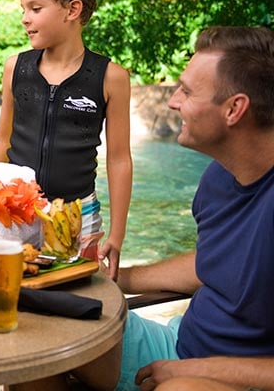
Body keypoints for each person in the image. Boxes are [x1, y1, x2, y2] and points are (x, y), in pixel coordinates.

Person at [20, 26, 274, 391]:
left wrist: (203, 372)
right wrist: (113, 278)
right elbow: (216, 262)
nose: (173, 102)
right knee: (38, 319)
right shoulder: (218, 180)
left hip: (234, 378)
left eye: (186, 91)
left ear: (235, 109)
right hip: (176, 345)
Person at [0, 0, 133, 280]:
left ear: (72, 9)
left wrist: (117, 236)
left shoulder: (111, 77)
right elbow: (2, 138)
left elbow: (119, 159)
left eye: (35, 9)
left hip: (79, 218)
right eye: (23, 9)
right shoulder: (16, 68)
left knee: (74, 302)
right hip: (16, 213)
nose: (25, 19)